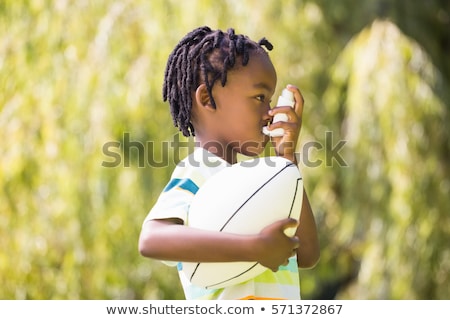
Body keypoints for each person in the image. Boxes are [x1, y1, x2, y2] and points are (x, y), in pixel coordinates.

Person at [139, 26, 320, 300]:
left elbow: (307, 254)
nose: (270, 113)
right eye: (259, 98)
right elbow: (152, 239)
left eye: (270, 100)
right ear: (207, 99)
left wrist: (287, 160)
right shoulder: (199, 169)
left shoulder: (267, 182)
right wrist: (254, 249)